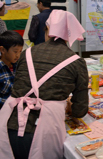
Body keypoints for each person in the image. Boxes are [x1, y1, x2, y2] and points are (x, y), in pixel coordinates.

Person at [0, 10, 89, 159]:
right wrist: (69, 108)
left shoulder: (26, 53)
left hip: (8, 121)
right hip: (45, 128)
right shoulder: (77, 62)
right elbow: (80, 109)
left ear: (48, 30)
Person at [0, 31, 23, 109]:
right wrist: (10, 103)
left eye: (20, 51)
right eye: (15, 51)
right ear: (2, 50)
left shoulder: (18, 66)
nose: (18, 55)